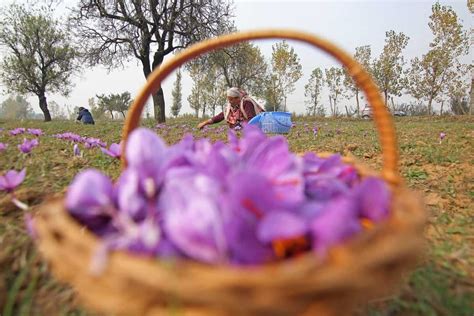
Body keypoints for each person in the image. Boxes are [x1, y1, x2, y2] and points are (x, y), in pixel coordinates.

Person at [197, 87, 264, 130]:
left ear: (237, 98)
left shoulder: (247, 103)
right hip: (238, 129)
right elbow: (220, 117)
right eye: (229, 99)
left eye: (231, 99)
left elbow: (251, 119)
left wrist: (240, 126)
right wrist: (205, 123)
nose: (229, 101)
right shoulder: (231, 107)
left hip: (253, 129)